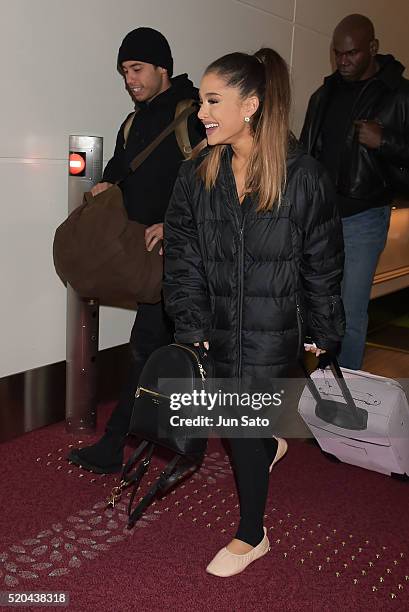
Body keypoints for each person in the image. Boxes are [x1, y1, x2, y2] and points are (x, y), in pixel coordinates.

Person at [163, 48, 345, 577]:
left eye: (213, 100)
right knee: (236, 419)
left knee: (239, 425)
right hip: (217, 322)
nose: (202, 112)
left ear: (252, 105)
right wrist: (191, 322)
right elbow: (183, 255)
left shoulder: (302, 175)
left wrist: (322, 326)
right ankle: (269, 442)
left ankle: (252, 533)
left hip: (271, 326)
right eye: (201, 100)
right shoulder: (196, 172)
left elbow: (322, 259)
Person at [68, 27, 204, 473]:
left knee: (189, 352)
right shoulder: (134, 121)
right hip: (154, 264)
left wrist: (173, 224)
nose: (130, 79)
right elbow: (119, 173)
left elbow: (215, 184)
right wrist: (106, 186)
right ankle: (130, 445)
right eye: (124, 71)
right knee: (151, 350)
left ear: (163, 68)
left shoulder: (194, 114)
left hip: (193, 258)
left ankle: (182, 446)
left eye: (137, 69)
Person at [300, 13, 409, 370]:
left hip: (365, 218)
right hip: (321, 218)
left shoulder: (398, 95)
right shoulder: (324, 94)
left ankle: (344, 391)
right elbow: (306, 154)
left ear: (373, 49)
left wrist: (386, 141)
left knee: (350, 309)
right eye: (338, 54)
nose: (343, 61)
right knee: (318, 304)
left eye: (352, 54)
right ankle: (323, 384)